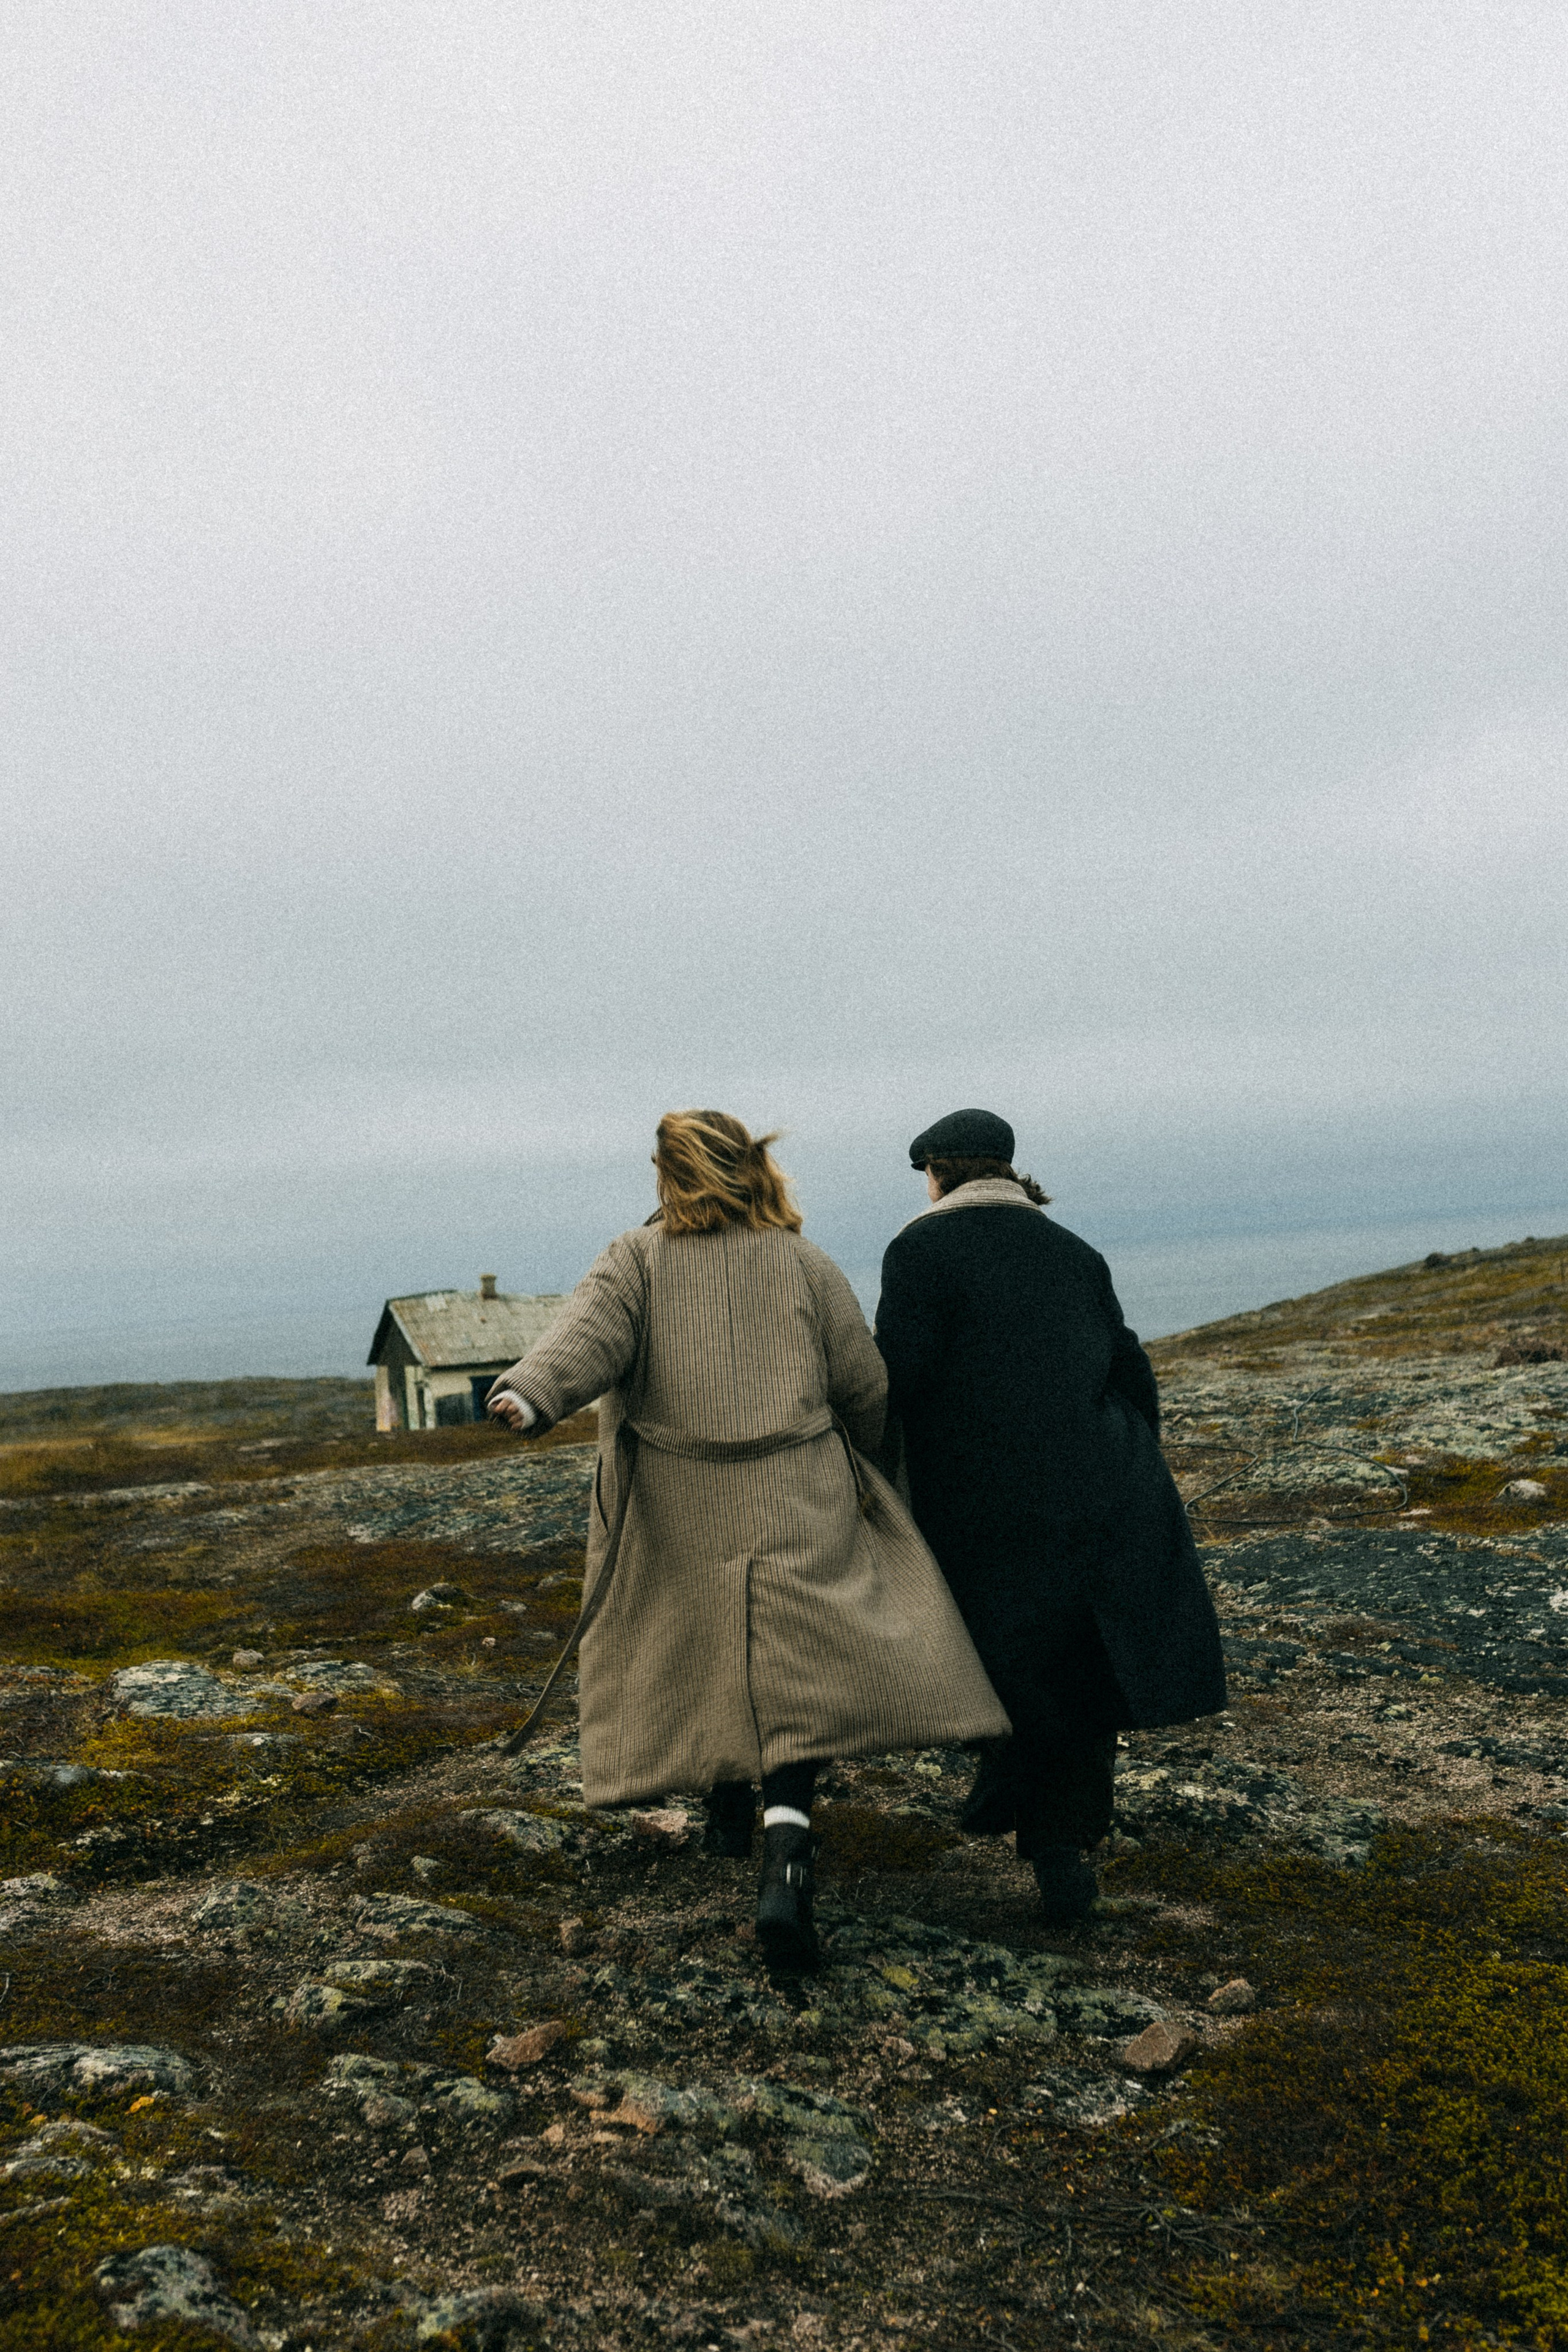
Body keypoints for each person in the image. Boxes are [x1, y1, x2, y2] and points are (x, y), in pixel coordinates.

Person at [486, 1109, 1009, 1970]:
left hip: (680, 1500)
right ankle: (786, 1851)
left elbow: (585, 1338)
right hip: (794, 1493)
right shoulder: (802, 1261)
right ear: (752, 1169)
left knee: (708, 1643)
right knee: (792, 1668)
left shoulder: (635, 1258)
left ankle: (727, 1814)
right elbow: (864, 1383)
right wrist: (878, 1470)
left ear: (668, 1174)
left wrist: (532, 1397)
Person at [874, 1107, 1226, 1924]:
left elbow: (899, 1379)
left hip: (986, 1496)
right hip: (1105, 1478)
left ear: (935, 1174)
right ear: (1007, 1171)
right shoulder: (1075, 1253)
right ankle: (1061, 1849)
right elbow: (1131, 1372)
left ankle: (1013, 1795)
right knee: (1079, 1664)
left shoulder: (919, 1250)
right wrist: (1127, 1466)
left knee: (1007, 1659)